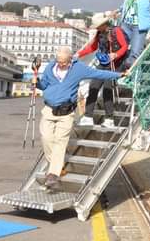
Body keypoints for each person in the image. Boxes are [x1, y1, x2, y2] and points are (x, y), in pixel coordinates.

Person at [37, 47, 120, 191]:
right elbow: (44, 85)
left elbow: (98, 73)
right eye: (58, 61)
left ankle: (53, 174)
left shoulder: (78, 68)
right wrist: (37, 83)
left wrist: (119, 75)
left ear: (70, 60)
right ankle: (56, 166)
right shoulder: (51, 66)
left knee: (60, 142)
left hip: (66, 112)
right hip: (49, 110)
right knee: (46, 138)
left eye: (63, 62)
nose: (60, 64)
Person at [75, 13, 129, 128]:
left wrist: (116, 55)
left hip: (116, 64)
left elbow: (124, 46)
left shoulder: (116, 31)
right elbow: (93, 47)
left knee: (107, 89)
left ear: (103, 24)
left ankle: (109, 118)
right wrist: (79, 54)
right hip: (103, 62)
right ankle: (88, 117)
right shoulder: (99, 33)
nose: (97, 28)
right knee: (94, 86)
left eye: (98, 26)